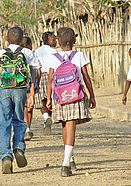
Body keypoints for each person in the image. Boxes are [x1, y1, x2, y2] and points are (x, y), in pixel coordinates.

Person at [46, 27, 96, 177]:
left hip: (60, 97)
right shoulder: (79, 55)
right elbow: (86, 77)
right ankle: (65, 164)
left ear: (58, 42)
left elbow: (49, 80)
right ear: (74, 40)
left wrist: (48, 98)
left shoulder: (54, 57)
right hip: (75, 95)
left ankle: (70, 157)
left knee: (65, 125)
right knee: (71, 126)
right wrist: (92, 95)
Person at [0, 26, 38, 174]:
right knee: (19, 120)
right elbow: (34, 72)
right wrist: (32, 94)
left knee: (3, 123)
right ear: (22, 39)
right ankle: (18, 148)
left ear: (6, 38)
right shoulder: (27, 52)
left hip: (4, 90)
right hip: (21, 91)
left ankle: (6, 156)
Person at [34, 31, 57, 135]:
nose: (55, 41)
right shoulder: (54, 52)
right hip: (52, 76)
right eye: (53, 39)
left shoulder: (37, 51)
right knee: (50, 99)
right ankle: (48, 119)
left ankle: (46, 117)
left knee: (41, 100)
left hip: (40, 76)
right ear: (47, 40)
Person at [21, 36, 41, 141]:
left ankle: (25, 129)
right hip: (30, 85)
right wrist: (36, 82)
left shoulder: (14, 53)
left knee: (23, 108)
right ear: (28, 45)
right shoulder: (30, 53)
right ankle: (27, 128)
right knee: (29, 108)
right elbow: (38, 70)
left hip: (18, 85)